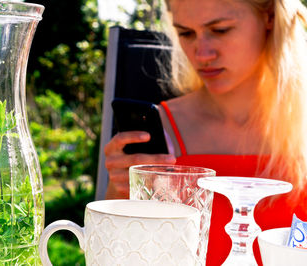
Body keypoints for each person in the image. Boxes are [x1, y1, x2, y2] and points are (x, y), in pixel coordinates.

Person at [104, 0, 307, 265]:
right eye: (186, 33)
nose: (202, 54)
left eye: (220, 30)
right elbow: (116, 251)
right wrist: (119, 190)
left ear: (269, 16)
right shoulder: (163, 131)